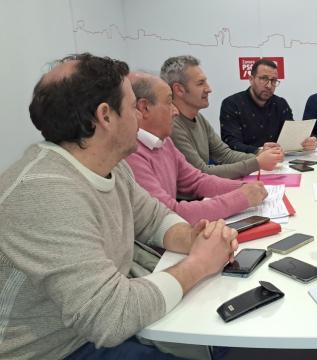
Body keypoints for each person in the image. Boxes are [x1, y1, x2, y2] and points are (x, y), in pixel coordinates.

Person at [0, 53, 239, 359]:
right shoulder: (44, 193)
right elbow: (110, 318)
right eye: (131, 105)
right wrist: (199, 264)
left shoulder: (112, 165)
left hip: (87, 330)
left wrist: (192, 238)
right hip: (57, 349)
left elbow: (153, 218)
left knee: (218, 336)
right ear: (106, 116)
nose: (140, 115)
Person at [126, 72, 267, 225]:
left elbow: (197, 180)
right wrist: (241, 198)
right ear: (144, 107)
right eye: (169, 103)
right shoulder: (131, 154)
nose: (175, 111)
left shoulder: (165, 142)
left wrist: (243, 187)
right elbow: (169, 213)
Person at [161, 55, 283, 179]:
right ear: (179, 90)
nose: (209, 89)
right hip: (191, 197)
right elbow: (202, 172)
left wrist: (264, 156)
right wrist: (257, 162)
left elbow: (225, 154)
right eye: (200, 83)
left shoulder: (199, 118)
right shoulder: (171, 125)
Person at [220, 59, 316, 153]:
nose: (269, 86)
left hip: (279, 162)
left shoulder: (280, 104)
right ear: (251, 79)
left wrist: (306, 143)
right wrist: (258, 151)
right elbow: (231, 144)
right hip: (246, 163)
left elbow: (291, 136)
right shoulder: (232, 104)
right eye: (264, 79)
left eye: (273, 80)